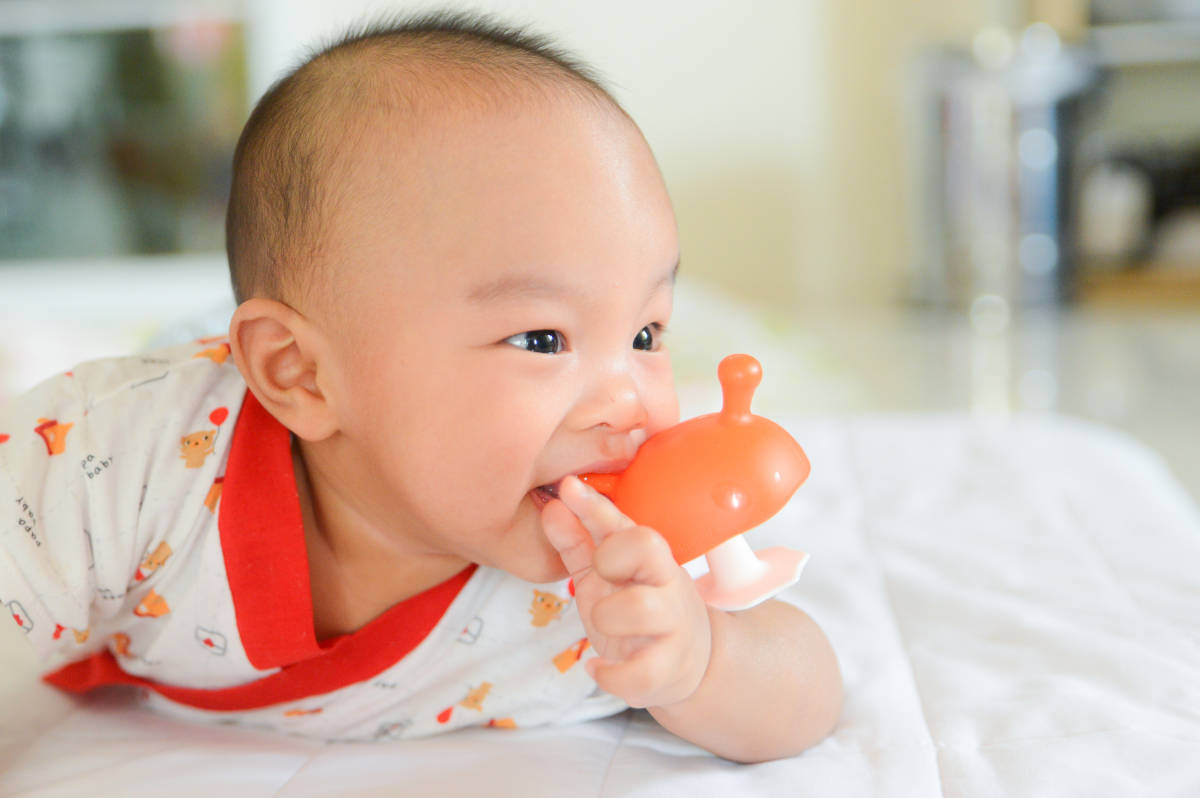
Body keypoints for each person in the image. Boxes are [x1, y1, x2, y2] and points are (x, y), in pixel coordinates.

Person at [0, 10, 840, 762]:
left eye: (647, 334)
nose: (630, 407)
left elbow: (809, 691)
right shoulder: (118, 462)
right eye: (542, 339)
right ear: (303, 373)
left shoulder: (607, 580)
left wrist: (700, 662)